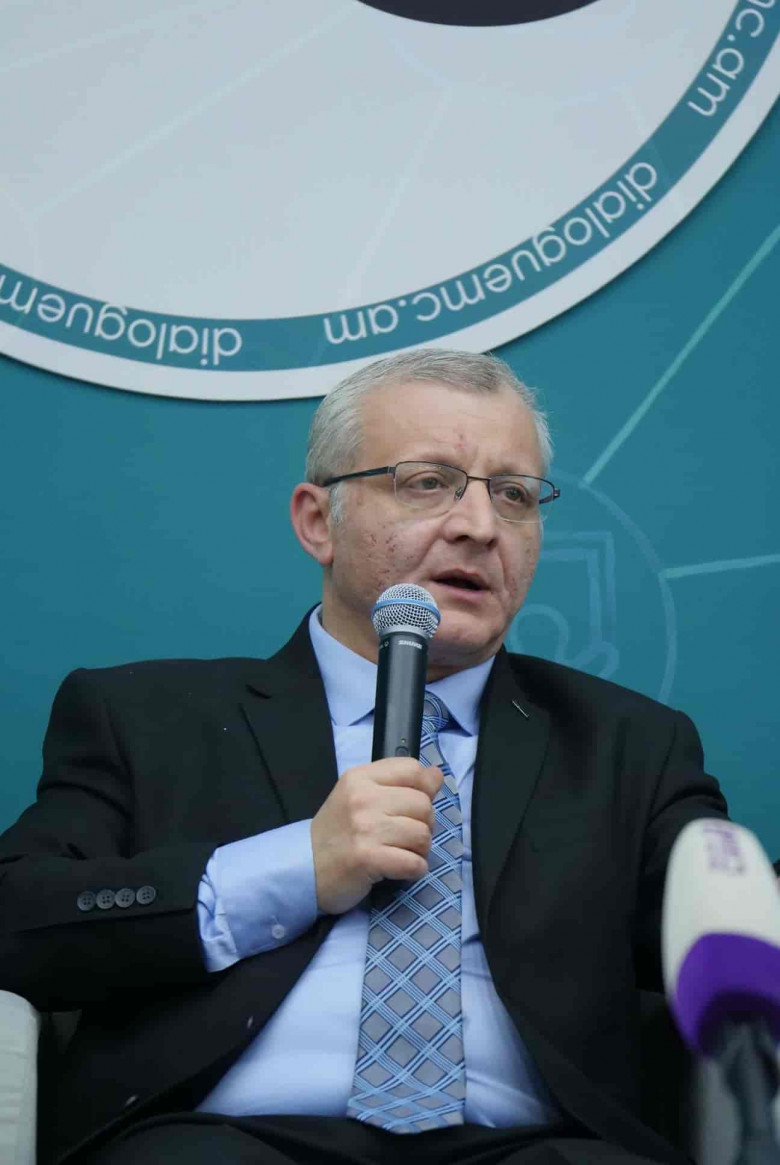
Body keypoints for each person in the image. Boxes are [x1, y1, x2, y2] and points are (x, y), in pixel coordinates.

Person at [0, 349, 727, 1165]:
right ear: (318, 520)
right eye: (428, 482)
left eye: (514, 495)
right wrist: (296, 866)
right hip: (223, 1140)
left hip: (532, 1149)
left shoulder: (627, 744)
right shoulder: (150, 717)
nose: (480, 527)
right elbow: (17, 918)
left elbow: (734, 928)